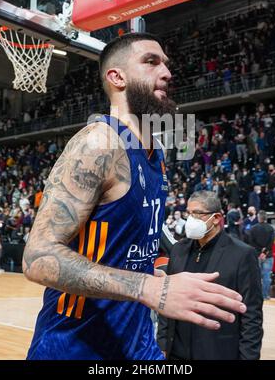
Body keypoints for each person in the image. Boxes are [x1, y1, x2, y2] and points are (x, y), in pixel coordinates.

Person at [23, 33, 246, 360]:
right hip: (76, 347)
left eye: (166, 64)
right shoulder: (98, 144)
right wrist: (147, 288)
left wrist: (152, 277)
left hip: (138, 344)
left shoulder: (157, 156)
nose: (167, 72)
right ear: (117, 77)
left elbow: (120, 251)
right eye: (151, 62)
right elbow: (36, 257)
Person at [157, 191, 263, 360]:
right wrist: (162, 344)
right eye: (189, 213)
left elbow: (251, 316)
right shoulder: (178, 250)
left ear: (216, 218)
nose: (191, 219)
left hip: (217, 351)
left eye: (197, 214)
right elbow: (167, 298)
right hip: (176, 352)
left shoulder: (242, 254)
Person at [249, 210, 275, 300]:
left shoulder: (253, 228)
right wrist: (264, 252)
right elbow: (271, 242)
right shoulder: (271, 228)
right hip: (268, 255)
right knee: (267, 276)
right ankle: (265, 296)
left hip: (256, 255)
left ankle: (256, 296)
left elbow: (251, 242)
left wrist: (260, 252)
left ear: (258, 218)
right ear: (266, 218)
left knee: (256, 276)